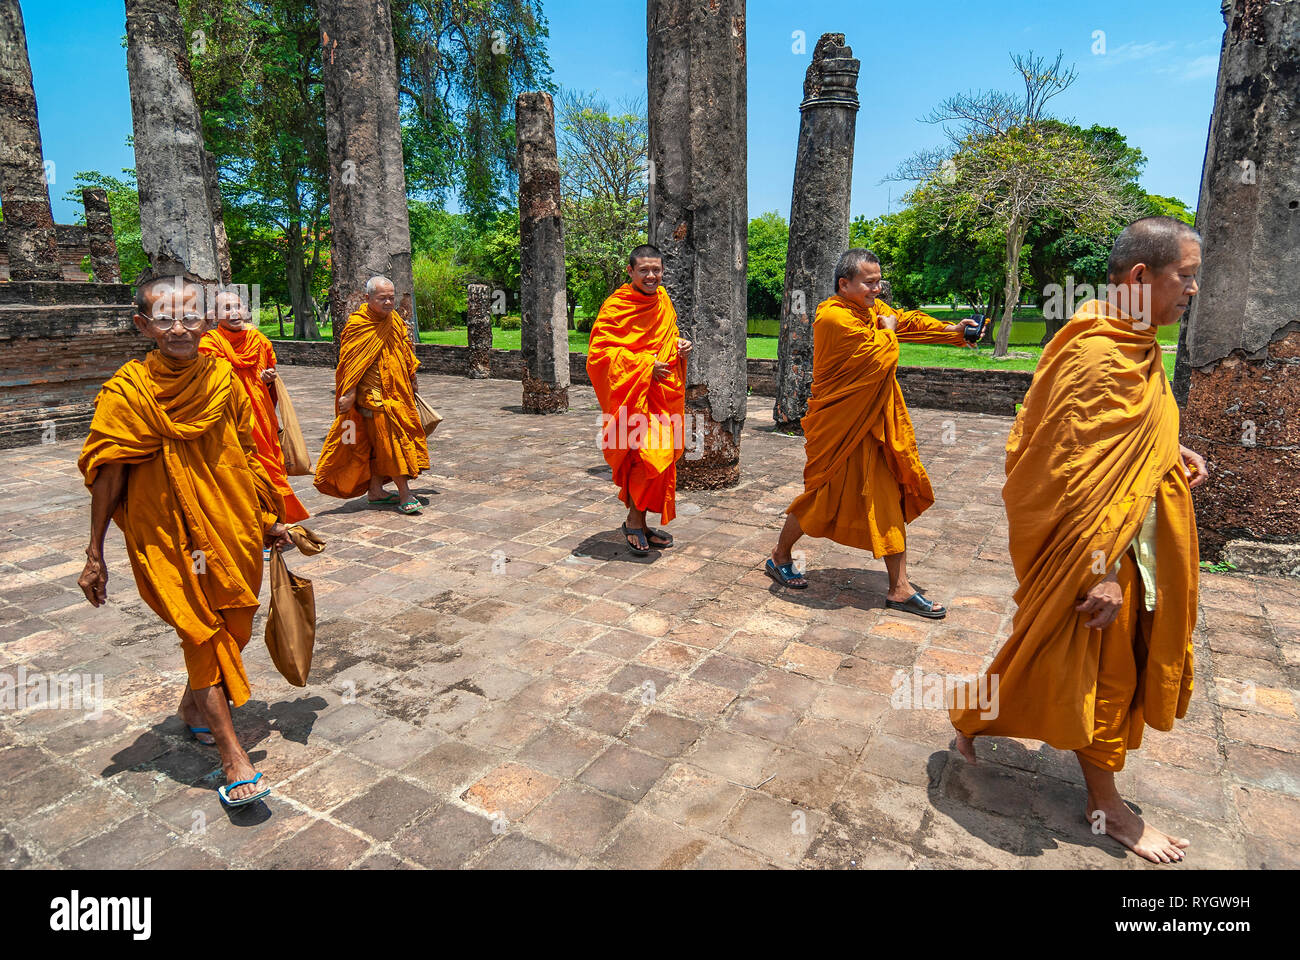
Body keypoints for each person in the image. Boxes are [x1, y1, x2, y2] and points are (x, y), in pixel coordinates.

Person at [950, 216, 1208, 864]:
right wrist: (1097, 570)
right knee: (1105, 675)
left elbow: (1121, 437)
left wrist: (1167, 449)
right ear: (1143, 277)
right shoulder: (1095, 351)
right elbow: (1062, 468)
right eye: (1188, 275)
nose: (1194, 289)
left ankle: (976, 717)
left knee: (1056, 658)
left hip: (1140, 543)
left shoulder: (1138, 342)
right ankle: (1107, 807)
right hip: (1103, 555)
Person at [77, 272, 290, 806]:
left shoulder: (220, 380)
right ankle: (232, 758)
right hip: (164, 532)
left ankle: (192, 706)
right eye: (166, 317)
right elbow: (108, 475)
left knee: (235, 621)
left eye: (189, 315)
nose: (179, 327)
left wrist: (270, 514)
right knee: (199, 631)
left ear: (205, 321)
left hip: (231, 520)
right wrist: (94, 552)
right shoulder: (127, 393)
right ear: (143, 325)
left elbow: (250, 450)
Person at [766, 249, 977, 618]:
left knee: (886, 497)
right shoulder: (832, 318)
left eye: (879, 281)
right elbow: (881, 356)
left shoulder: (869, 312)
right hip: (841, 426)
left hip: (872, 426)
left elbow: (906, 321)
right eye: (869, 282)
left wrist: (953, 331)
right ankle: (780, 555)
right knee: (820, 498)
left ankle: (899, 587)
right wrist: (890, 332)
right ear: (844, 284)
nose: (877, 289)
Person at [586, 245, 692, 555]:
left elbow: (665, 338)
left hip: (659, 396)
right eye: (644, 270)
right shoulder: (617, 306)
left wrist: (679, 344)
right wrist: (645, 365)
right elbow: (599, 356)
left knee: (656, 460)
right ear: (630, 272)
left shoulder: (663, 301)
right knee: (644, 459)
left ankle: (641, 523)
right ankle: (634, 522)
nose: (650, 275)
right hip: (632, 399)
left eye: (656, 270)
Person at [313, 276, 429, 514]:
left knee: (377, 445)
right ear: (367, 298)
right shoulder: (359, 324)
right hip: (374, 395)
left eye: (391, 297)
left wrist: (412, 379)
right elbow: (351, 365)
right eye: (382, 298)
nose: (388, 302)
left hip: (398, 389)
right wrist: (350, 393)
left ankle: (376, 491)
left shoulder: (394, 319)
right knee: (390, 441)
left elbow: (405, 350)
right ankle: (405, 493)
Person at [199, 288, 310, 523]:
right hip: (232, 420)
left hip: (262, 418)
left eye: (238, 307)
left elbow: (269, 380)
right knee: (243, 471)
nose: (234, 312)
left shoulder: (259, 341)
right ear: (215, 315)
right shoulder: (209, 345)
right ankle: (258, 523)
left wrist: (269, 380)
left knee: (269, 465)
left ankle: (275, 519)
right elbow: (210, 384)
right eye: (226, 309)